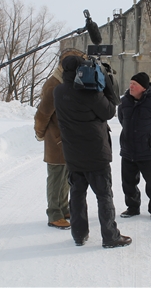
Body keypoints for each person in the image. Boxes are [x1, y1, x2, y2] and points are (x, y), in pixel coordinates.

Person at [53, 55, 131, 248]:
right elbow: (109, 112)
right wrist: (104, 84)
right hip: (96, 153)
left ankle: (79, 234)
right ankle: (110, 236)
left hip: (72, 153)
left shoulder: (58, 91)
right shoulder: (90, 91)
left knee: (77, 193)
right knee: (104, 194)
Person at [34, 49, 86, 230]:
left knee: (65, 177)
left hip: (66, 139)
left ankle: (63, 209)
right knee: (56, 177)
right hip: (56, 139)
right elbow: (42, 115)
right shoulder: (53, 85)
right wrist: (40, 134)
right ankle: (54, 214)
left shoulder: (65, 82)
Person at [117, 72, 151, 221]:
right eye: (130, 83)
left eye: (134, 84)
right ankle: (132, 207)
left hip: (148, 152)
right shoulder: (124, 102)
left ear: (143, 87)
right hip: (128, 150)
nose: (131, 86)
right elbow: (122, 120)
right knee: (128, 183)